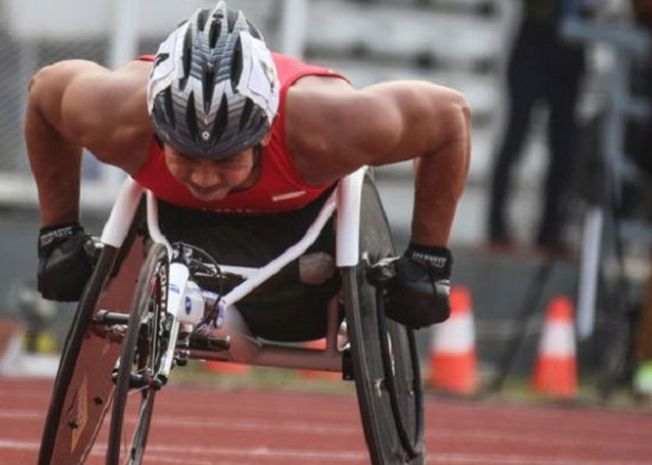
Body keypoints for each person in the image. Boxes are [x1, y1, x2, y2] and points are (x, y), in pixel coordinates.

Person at [25, 1, 471, 337]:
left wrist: (428, 259)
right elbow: (44, 93)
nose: (203, 177)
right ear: (158, 133)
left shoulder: (330, 128)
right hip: (173, 229)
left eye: (224, 159)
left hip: (304, 261)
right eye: (185, 155)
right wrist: (58, 233)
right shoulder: (114, 116)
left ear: (263, 133)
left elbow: (450, 117)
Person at [487, 0, 587, 254]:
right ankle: (497, 227)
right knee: (516, 137)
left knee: (564, 145)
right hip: (535, 41)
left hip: (571, 47)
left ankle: (550, 232)